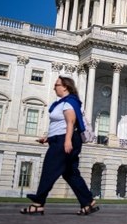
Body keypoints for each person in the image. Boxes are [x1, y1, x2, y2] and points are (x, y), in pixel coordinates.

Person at [20, 76, 99, 216]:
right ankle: (88, 202)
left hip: (65, 140)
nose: (54, 87)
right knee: (70, 173)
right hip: (60, 139)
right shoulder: (63, 102)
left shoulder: (69, 102)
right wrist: (48, 138)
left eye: (56, 85)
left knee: (49, 170)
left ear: (65, 87)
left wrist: (67, 141)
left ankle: (38, 203)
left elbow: (71, 123)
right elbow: (59, 124)